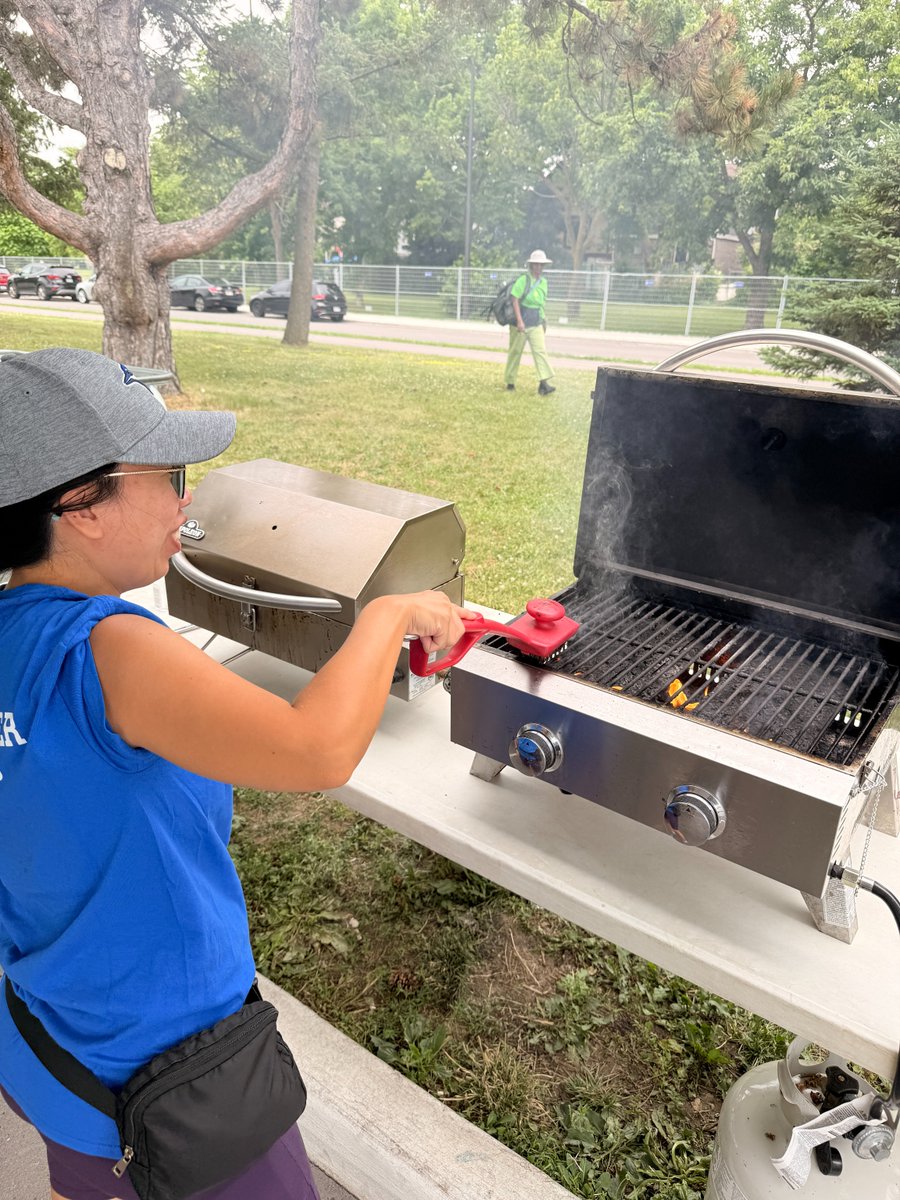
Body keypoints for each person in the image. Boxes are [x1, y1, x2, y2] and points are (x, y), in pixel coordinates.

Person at [0, 348, 467, 1200]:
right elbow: (314, 749)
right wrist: (392, 610)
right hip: (178, 1080)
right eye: (169, 472)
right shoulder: (107, 647)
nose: (186, 499)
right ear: (81, 507)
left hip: (53, 1051)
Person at [503, 250, 556, 395]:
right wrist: (520, 321)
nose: (539, 268)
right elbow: (515, 300)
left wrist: (543, 321)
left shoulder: (544, 282)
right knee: (515, 352)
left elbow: (541, 304)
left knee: (540, 352)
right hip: (520, 323)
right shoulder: (524, 280)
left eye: (541, 265)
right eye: (536, 265)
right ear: (531, 265)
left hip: (536, 322)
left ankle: (543, 384)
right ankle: (510, 382)